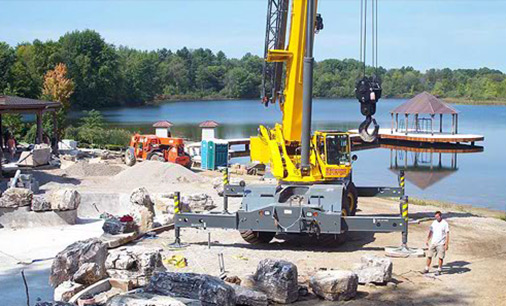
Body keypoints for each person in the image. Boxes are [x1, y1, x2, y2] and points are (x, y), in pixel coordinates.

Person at [424, 211, 450, 275]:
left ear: (440, 216)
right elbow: (431, 231)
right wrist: (428, 239)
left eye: (437, 216)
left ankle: (439, 269)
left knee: (440, 257)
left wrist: (446, 244)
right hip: (433, 242)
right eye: (435, 217)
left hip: (441, 243)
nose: (436, 218)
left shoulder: (445, 224)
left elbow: (447, 234)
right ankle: (426, 268)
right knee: (429, 255)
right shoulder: (434, 223)